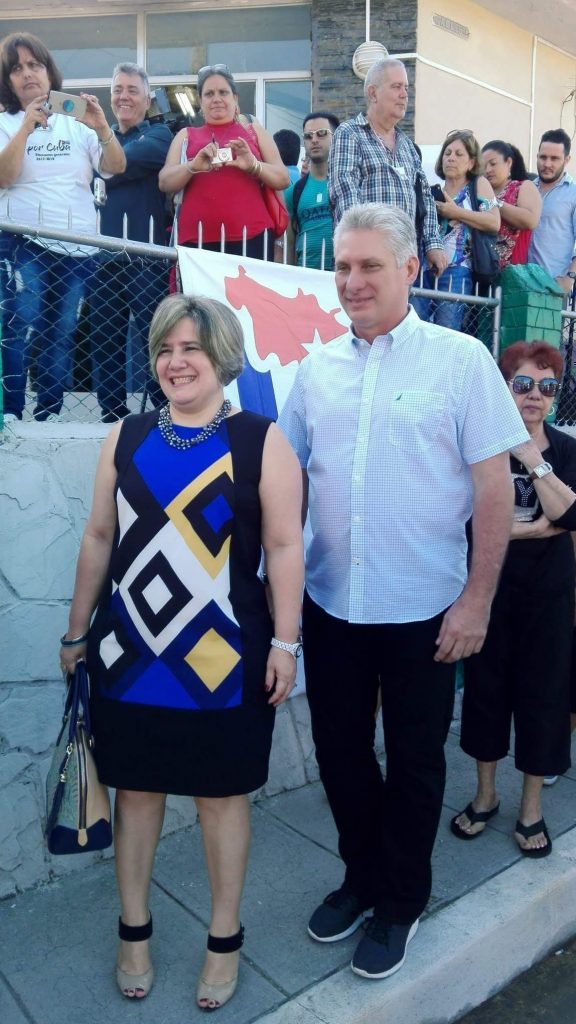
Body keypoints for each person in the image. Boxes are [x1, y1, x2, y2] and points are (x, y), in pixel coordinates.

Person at [278, 203, 528, 980]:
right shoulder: (314, 371)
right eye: (342, 267)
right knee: (341, 753)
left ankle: (401, 901)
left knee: (417, 759)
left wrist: (477, 600)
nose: (351, 282)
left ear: (411, 271)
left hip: (428, 607)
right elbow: (284, 488)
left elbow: (494, 490)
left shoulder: (460, 361)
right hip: (333, 604)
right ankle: (362, 876)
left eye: (369, 267)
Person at [59, 294, 303, 1010]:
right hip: (129, 651)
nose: (176, 361)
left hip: (225, 658)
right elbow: (99, 538)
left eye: (192, 348)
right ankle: (133, 931)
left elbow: (286, 548)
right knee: (135, 793)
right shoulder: (127, 437)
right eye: (165, 348)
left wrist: (286, 642)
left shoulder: (262, 440)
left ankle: (223, 939)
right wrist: (77, 632)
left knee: (222, 800)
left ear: (222, 356)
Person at [452, 341, 576, 857]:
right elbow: (466, 520)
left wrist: (532, 459)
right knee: (485, 693)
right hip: (491, 591)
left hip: (547, 598)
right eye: (522, 384)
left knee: (544, 699)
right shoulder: (481, 447)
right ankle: (484, 795)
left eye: (546, 387)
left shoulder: (566, 451)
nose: (534, 397)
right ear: (504, 388)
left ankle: (531, 808)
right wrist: (529, 530)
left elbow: (567, 516)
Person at [0, 31, 126, 421]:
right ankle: (12, 411)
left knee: (61, 331)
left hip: (77, 246)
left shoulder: (78, 123)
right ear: (7, 80)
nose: (27, 74)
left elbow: (116, 166)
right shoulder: (5, 123)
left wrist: (102, 127)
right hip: (22, 240)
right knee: (21, 321)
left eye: (34, 65)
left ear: (50, 71)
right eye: (16, 69)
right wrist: (26, 128)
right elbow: (5, 177)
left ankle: (50, 410)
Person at [90, 62, 172, 423]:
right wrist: (107, 162)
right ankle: (111, 413)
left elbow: (109, 168)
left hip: (146, 255)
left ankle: (165, 408)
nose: (124, 96)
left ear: (147, 97)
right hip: (103, 253)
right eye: (118, 89)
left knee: (154, 334)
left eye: (132, 90)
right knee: (104, 335)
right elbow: (101, 167)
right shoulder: (96, 136)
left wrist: (104, 166)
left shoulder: (160, 137)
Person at [328, 58, 446, 278]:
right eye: (396, 86)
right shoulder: (350, 133)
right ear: (373, 93)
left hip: (402, 259)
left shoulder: (407, 146)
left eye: (406, 88)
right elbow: (345, 190)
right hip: (366, 259)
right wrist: (361, 244)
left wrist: (433, 242)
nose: (404, 94)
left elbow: (425, 198)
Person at [159, 65, 288, 260]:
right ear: (200, 102)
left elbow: (282, 179)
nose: (216, 99)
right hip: (196, 241)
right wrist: (192, 166)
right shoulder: (185, 136)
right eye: (209, 94)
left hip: (251, 237)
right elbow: (165, 183)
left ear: (235, 99)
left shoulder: (254, 132)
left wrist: (254, 165)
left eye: (223, 92)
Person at [418, 130, 500, 332]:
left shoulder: (478, 185)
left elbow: (494, 222)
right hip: (425, 268)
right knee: (417, 326)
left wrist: (456, 212)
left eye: (458, 154)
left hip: (457, 270)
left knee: (447, 331)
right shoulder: (433, 190)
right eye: (447, 153)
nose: (451, 158)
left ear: (471, 162)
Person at [285, 111, 339, 270]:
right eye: (308, 136)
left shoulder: (349, 185)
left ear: (336, 137)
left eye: (322, 134)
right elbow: (290, 243)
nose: (314, 140)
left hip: (342, 280)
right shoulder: (294, 192)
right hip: (306, 281)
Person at [528, 129, 576, 296]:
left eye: (554, 158)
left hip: (553, 288)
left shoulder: (573, 193)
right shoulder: (525, 189)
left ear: (567, 159)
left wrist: (570, 278)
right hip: (521, 283)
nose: (547, 164)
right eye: (543, 157)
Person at [481, 140, 542, 268]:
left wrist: (494, 203)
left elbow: (530, 220)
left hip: (511, 273)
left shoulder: (523, 186)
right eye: (483, 165)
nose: (487, 170)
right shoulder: (479, 191)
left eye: (493, 164)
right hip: (479, 269)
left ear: (508, 162)